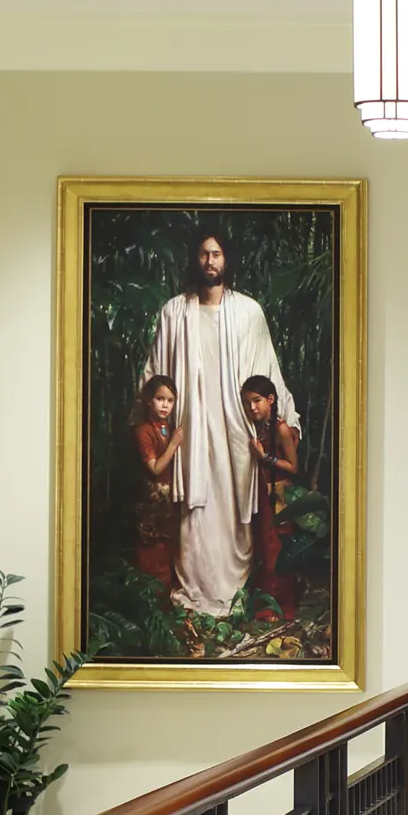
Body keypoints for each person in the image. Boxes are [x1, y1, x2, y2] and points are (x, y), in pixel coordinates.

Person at [140, 226, 298, 620]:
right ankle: (195, 586)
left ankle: (239, 589)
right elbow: (156, 375)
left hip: (234, 428)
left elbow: (267, 370)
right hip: (190, 426)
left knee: (233, 502)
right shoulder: (174, 311)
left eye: (217, 254)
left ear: (227, 260)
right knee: (196, 507)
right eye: (204, 254)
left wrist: (283, 420)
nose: (210, 261)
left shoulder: (248, 311)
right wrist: (154, 425)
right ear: (195, 260)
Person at [239, 373, 301, 625]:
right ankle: (266, 604)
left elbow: (293, 467)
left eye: (257, 401)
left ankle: (280, 606)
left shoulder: (280, 428)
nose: (252, 407)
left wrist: (265, 457)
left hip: (279, 493)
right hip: (264, 493)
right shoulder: (259, 426)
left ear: (271, 400)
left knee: (277, 547)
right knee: (265, 548)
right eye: (247, 403)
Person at [126, 373, 184, 590]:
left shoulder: (166, 426)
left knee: (167, 544)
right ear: (149, 400)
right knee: (150, 545)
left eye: (170, 401)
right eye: (160, 399)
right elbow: (155, 468)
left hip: (167, 496)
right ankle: (149, 597)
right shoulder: (143, 431)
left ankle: (164, 594)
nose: (165, 405)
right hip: (151, 498)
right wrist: (174, 443)